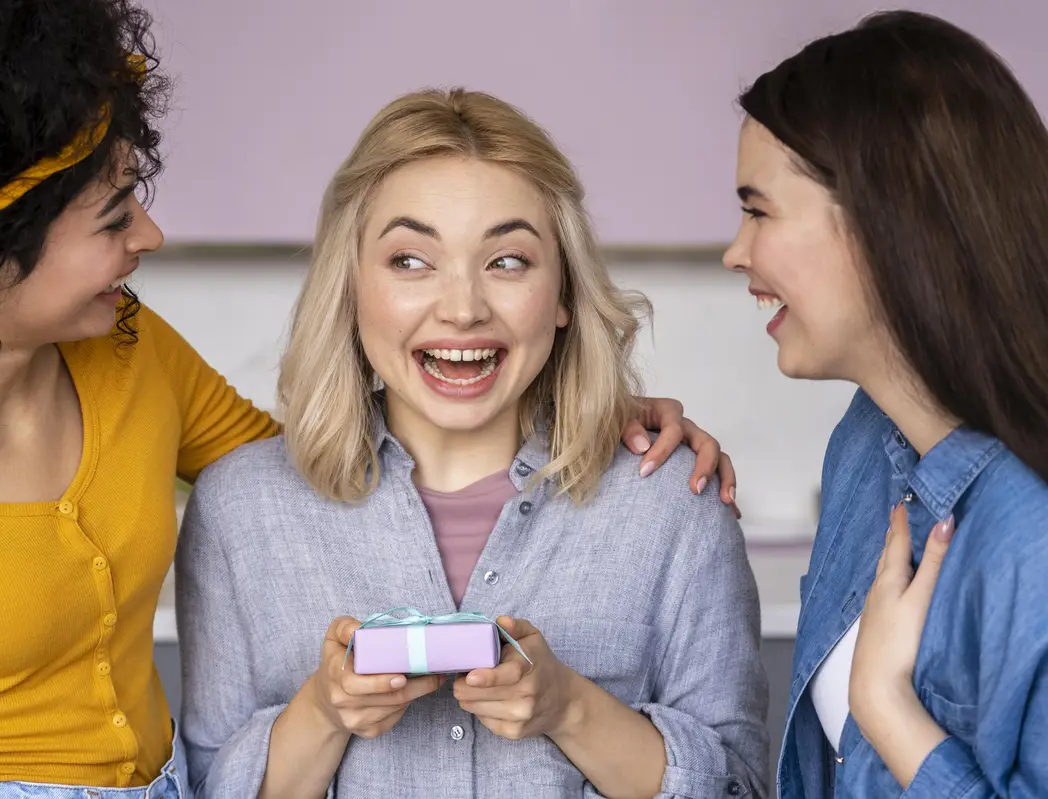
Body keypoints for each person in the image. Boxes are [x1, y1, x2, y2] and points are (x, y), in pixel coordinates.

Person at [0, 1, 737, 794]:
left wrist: (594, 410)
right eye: (116, 216)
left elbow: (318, 467)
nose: (151, 234)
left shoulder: (132, 354)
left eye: (508, 259)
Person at [178, 87, 770, 799]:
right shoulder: (240, 510)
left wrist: (569, 708)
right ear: (351, 287)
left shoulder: (674, 503)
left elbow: (741, 787)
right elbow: (208, 784)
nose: (462, 309)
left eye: (508, 261)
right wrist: (324, 712)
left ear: (563, 296)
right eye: (409, 260)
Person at [723, 10, 1048, 797]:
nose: (736, 250)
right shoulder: (868, 441)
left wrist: (890, 713)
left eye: (758, 210)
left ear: (881, 219)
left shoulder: (1033, 535)